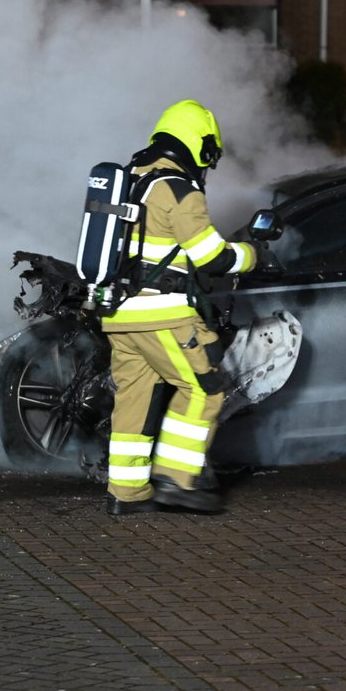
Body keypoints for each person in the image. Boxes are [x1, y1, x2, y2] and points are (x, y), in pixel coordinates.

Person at [101, 99, 257, 516]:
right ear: (197, 144)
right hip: (164, 316)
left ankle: (127, 494)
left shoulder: (130, 180)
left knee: (133, 399)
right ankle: (178, 480)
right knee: (205, 388)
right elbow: (212, 259)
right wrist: (250, 255)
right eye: (208, 154)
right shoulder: (179, 190)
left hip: (118, 315)